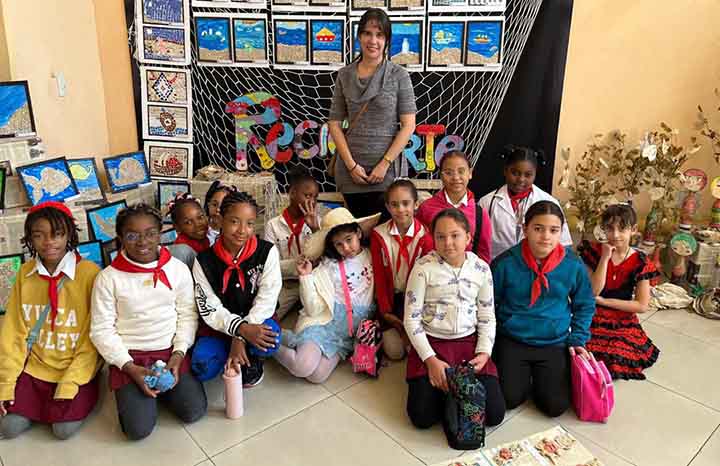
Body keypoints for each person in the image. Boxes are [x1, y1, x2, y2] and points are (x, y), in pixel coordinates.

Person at [90, 203, 206, 440]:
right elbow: (101, 330)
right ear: (120, 238)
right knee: (137, 430)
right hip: (130, 356)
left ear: (161, 234)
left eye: (150, 234)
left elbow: (187, 314)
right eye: (132, 236)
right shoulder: (108, 278)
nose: (142, 242)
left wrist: (179, 353)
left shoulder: (177, 269)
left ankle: (160, 389)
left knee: (193, 411)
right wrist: (128, 367)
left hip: (170, 352)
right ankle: (143, 393)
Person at [0, 202, 102, 440]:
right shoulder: (25, 274)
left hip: (74, 367)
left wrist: (72, 381)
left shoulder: (90, 274)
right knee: (9, 428)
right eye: (39, 235)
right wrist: (6, 383)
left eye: (57, 234)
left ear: (69, 234)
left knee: (62, 431)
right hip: (36, 368)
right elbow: (13, 332)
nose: (48, 242)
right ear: (29, 238)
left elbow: (92, 339)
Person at [491, 201, 595, 417]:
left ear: (561, 232)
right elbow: (489, 304)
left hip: (554, 341)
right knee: (510, 398)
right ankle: (521, 374)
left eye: (553, 230)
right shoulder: (505, 263)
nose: (546, 237)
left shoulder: (572, 265)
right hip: (513, 338)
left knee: (555, 406)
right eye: (538, 228)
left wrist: (577, 339)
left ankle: (540, 377)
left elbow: (584, 304)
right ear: (525, 228)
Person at [404, 208, 505, 430]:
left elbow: (487, 316)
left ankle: (452, 391)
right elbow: (411, 320)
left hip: (468, 345)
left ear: (468, 237)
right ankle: (451, 391)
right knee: (421, 417)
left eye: (455, 235)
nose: (447, 243)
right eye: (440, 236)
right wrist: (430, 360)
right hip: (432, 343)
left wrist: (484, 352)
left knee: (495, 414)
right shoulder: (423, 267)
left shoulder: (481, 269)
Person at [328, 8, 416, 219]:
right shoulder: (344, 75)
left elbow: (409, 125)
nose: (373, 40)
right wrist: (351, 166)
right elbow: (334, 123)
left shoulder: (399, 75)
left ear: (387, 40)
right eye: (367, 33)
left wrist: (384, 164)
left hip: (387, 175)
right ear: (359, 36)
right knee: (354, 234)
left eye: (379, 35)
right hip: (351, 174)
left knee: (384, 233)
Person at [274, 208, 380, 383]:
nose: (346, 248)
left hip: (346, 334)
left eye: (349, 239)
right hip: (323, 323)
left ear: (359, 233)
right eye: (339, 244)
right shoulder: (328, 266)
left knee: (317, 376)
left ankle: (285, 338)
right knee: (302, 366)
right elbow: (312, 309)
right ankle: (267, 342)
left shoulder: (372, 256)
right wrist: (306, 277)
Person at [192, 191, 282, 387]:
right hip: (219, 326)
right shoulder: (204, 261)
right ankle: (230, 352)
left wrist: (241, 336)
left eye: (249, 223)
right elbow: (209, 306)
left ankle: (251, 355)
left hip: (256, 320)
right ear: (220, 220)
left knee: (271, 340)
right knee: (201, 367)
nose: (242, 230)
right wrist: (239, 329)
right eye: (234, 221)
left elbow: (267, 298)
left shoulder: (267, 252)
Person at [577, 204, 660, 380]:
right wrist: (605, 258)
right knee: (582, 347)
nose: (615, 235)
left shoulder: (640, 262)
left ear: (634, 230)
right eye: (610, 228)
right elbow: (593, 292)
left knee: (617, 353)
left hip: (622, 316)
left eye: (622, 229)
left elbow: (641, 305)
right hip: (592, 312)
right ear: (603, 229)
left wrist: (604, 301)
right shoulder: (594, 251)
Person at [370, 179, 432, 360]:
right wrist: (386, 311)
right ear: (388, 207)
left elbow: (428, 280)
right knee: (395, 352)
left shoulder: (426, 236)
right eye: (394, 205)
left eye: (406, 203)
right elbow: (379, 276)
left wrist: (410, 317)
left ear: (416, 205)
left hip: (416, 300)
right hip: (391, 299)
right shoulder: (378, 234)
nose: (400, 209)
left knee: (415, 350)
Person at [478, 145, 572, 261]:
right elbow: (478, 243)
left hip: (537, 266)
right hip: (497, 266)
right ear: (505, 171)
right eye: (515, 173)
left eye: (528, 175)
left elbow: (564, 245)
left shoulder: (549, 202)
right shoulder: (487, 203)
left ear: (535, 174)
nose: (521, 179)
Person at [264, 168, 320, 320]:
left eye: (315, 197)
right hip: (286, 284)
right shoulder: (273, 225)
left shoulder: (318, 222)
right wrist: (295, 265)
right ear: (292, 193)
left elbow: (323, 259)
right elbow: (270, 265)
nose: (312, 201)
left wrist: (316, 230)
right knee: (269, 318)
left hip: (312, 282)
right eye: (307, 195)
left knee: (317, 316)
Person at [416, 150, 492, 263]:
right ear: (441, 175)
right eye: (448, 172)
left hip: (466, 271)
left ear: (470, 173)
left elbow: (484, 254)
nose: (456, 177)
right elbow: (417, 246)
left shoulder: (479, 213)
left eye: (461, 171)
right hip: (432, 270)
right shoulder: (426, 208)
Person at [204, 181, 237, 246]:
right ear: (208, 205)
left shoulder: (236, 236)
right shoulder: (199, 231)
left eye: (223, 206)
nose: (218, 210)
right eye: (214, 204)